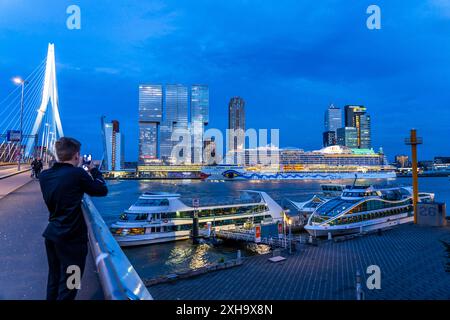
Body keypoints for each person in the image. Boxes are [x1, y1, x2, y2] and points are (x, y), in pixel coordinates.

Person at [39, 137, 108, 300]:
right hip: (72, 240)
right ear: (76, 155)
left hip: (52, 235)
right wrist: (93, 170)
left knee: (54, 280)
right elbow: (101, 189)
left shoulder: (44, 175)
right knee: (71, 284)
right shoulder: (77, 174)